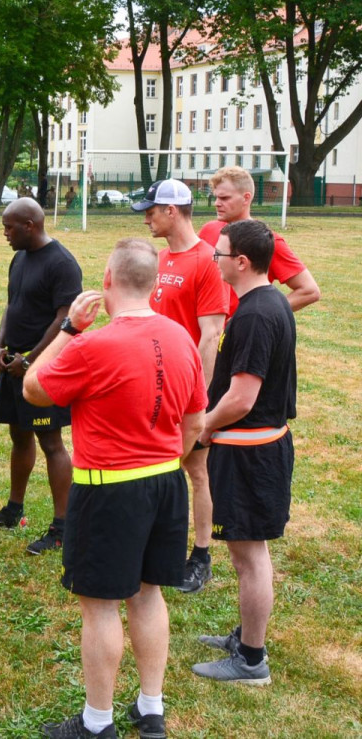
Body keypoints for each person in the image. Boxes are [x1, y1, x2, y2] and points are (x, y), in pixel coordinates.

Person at [23, 238, 206, 739]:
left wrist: (67, 328)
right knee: (148, 595)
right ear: (152, 282)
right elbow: (194, 421)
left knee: (101, 604)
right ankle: (151, 709)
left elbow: (33, 387)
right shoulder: (181, 337)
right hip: (167, 482)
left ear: (106, 282)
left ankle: (97, 722)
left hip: (109, 489)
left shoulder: (91, 344)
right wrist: (168, 458)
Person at [192, 220, 296, 686]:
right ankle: (246, 637)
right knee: (246, 554)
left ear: (241, 262)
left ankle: (251, 660)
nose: (213, 260)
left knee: (249, 556)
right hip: (255, 449)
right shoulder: (269, 299)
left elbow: (241, 398)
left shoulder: (255, 314)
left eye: (219, 253)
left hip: (250, 453)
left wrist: (204, 429)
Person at [133, 179, 229, 595]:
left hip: (187, 389)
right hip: (154, 382)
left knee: (196, 470)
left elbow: (210, 335)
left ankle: (201, 556)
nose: (147, 218)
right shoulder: (159, 258)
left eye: (151, 210)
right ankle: (156, 545)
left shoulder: (207, 261)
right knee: (155, 464)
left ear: (173, 211)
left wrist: (199, 399)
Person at [0, 198, 81, 555]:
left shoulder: (62, 264)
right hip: (14, 363)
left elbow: (65, 320)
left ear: (30, 226)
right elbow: (11, 305)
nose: (4, 233)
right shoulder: (19, 258)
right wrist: (0, 347)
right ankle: (13, 510)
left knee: (51, 443)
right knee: (20, 436)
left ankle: (62, 527)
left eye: (9, 227)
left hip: (43, 368)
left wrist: (32, 360)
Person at [198, 165, 320, 314]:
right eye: (216, 197)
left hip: (238, 333)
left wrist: (255, 315)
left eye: (224, 198)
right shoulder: (208, 230)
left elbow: (309, 291)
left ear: (246, 197)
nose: (217, 203)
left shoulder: (265, 239)